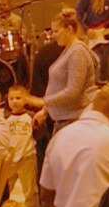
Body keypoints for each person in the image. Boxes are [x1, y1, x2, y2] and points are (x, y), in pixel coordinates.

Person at [39, 9, 98, 148]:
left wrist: (44, 101)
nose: (53, 35)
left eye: (56, 31)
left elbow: (73, 91)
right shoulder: (69, 50)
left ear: (69, 29)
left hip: (73, 122)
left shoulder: (77, 52)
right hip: (64, 121)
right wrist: (45, 109)